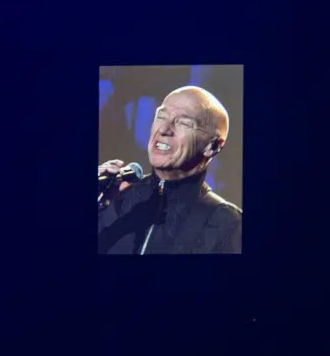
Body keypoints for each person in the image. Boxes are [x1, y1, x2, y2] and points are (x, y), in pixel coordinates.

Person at [98, 85, 240, 254]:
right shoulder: (116, 200)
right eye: (161, 117)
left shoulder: (227, 224)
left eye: (184, 123)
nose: (164, 130)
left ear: (212, 146)